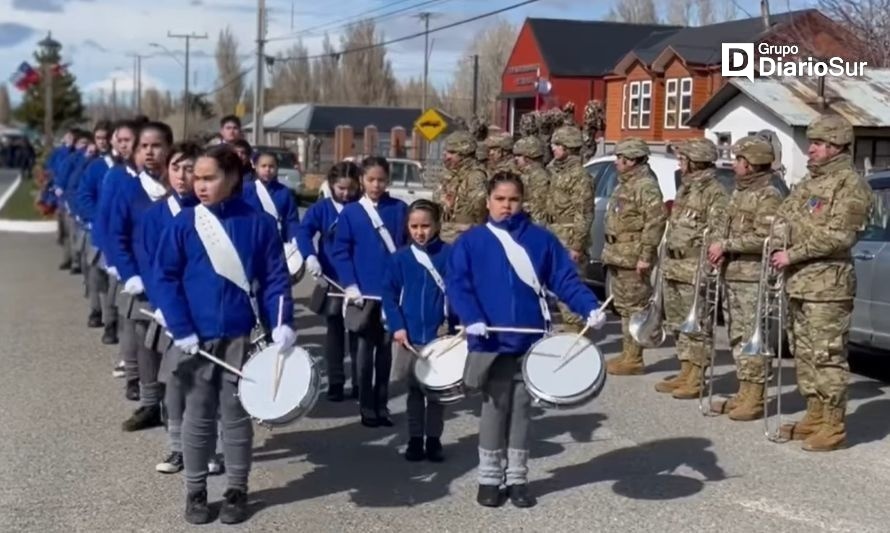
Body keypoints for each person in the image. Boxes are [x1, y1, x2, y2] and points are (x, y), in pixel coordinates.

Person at [153, 144, 295, 524]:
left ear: (233, 177)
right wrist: (180, 326)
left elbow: (275, 280)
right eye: (196, 178)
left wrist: (282, 322)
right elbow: (164, 278)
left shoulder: (259, 223)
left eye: (209, 178)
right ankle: (196, 491)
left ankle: (236, 489)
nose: (199, 185)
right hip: (194, 339)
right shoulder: (183, 223)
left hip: (240, 337)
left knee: (235, 416)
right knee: (197, 415)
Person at [446, 172, 606, 508]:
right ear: (488, 201)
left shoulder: (541, 240)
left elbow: (564, 280)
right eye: (500, 199)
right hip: (490, 341)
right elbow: (458, 286)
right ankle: (489, 478)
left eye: (513, 199)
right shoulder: (471, 242)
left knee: (521, 410)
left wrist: (589, 307)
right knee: (494, 407)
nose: (507, 206)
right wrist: (471, 318)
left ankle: (518, 477)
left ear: (523, 201)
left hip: (531, 339)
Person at [769, 115, 873, 451]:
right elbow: (782, 219)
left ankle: (833, 423)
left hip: (828, 286)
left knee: (827, 354)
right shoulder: (810, 183)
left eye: (816, 143)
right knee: (803, 351)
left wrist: (793, 252)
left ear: (834, 145)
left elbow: (840, 236)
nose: (810, 149)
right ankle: (814, 413)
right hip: (800, 282)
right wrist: (781, 242)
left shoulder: (849, 185)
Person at [131, 142, 202, 473]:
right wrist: (162, 306)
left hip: (205, 311)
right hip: (170, 311)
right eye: (176, 168)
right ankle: (176, 448)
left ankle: (206, 447)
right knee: (173, 378)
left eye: (190, 168)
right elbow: (149, 266)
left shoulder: (212, 213)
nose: (183, 176)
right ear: (166, 171)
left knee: (205, 382)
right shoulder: (154, 215)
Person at [705, 136, 783, 420]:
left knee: (753, 336)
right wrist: (718, 246)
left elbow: (765, 237)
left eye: (738, 160)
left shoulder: (769, 195)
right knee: (737, 335)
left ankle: (756, 394)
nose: (734, 165)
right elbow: (724, 227)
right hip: (733, 273)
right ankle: (743, 388)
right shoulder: (739, 192)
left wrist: (726, 246)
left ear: (750, 165)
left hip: (752, 277)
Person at [331, 156, 408, 427]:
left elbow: (406, 250)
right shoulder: (351, 212)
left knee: (386, 352)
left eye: (381, 180)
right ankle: (366, 406)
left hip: (390, 293)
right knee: (363, 353)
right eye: (371, 179)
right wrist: (350, 283)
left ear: (389, 180)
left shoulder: (399, 209)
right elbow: (341, 251)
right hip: (361, 294)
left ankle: (382, 404)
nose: (376, 185)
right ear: (361, 180)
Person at [108, 121, 174, 431]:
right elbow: (116, 236)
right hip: (144, 282)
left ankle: (175, 404)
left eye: (157, 145)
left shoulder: (182, 191)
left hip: (178, 282)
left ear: (169, 148)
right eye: (143, 146)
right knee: (146, 344)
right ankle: (150, 403)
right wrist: (130, 274)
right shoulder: (130, 190)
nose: (150, 151)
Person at [382, 199, 454, 462]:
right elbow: (389, 296)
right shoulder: (400, 258)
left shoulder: (448, 255)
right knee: (414, 392)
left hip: (439, 335)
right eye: (414, 226)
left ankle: (434, 440)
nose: (420, 232)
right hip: (409, 336)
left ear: (436, 225)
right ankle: (414, 439)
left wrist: (458, 325)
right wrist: (397, 327)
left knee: (436, 393)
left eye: (425, 226)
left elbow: (458, 293)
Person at [657, 138, 729, 399]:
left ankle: (697, 375)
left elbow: (718, 231)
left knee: (697, 323)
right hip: (675, 265)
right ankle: (685, 369)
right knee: (677, 321)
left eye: (683, 159)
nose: (680, 163)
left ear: (694, 162)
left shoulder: (715, 192)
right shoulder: (686, 189)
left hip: (694, 266)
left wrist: (707, 269)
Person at [297, 162, 362, 401]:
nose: (346, 193)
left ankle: (359, 381)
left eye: (351, 188)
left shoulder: (361, 207)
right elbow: (303, 232)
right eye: (341, 188)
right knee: (334, 331)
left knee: (358, 331)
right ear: (331, 185)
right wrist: (310, 256)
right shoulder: (322, 208)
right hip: (332, 277)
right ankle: (336, 381)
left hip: (358, 277)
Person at [602, 138, 667, 376]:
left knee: (635, 306)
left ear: (633, 160)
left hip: (633, 256)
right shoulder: (625, 184)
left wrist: (646, 256)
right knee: (624, 306)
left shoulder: (645, 185)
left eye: (622, 158)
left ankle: (635, 358)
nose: (617, 162)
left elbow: (655, 221)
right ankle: (628, 353)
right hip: (618, 254)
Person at [546, 125, 595, 333]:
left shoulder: (579, 176)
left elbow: (583, 213)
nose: (553, 149)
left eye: (557, 145)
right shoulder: (556, 171)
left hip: (569, 237)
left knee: (570, 286)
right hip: (555, 234)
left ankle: (576, 333)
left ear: (568, 147)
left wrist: (576, 245)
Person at [434, 131, 488, 243]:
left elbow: (479, 210)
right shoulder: (449, 175)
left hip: (464, 237)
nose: (446, 156)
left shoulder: (475, 176)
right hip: (444, 235)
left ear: (464, 154)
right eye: (447, 151)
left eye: (452, 152)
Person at [241, 150, 300, 244]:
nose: (267, 169)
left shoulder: (284, 192)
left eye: (271, 166)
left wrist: (294, 238)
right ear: (255, 167)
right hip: (251, 239)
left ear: (277, 168)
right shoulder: (245, 190)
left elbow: (291, 220)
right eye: (263, 166)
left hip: (277, 240)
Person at [512, 136, 551, 224]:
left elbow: (539, 209)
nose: (515, 159)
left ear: (528, 157)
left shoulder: (539, 177)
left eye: (519, 155)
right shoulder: (526, 174)